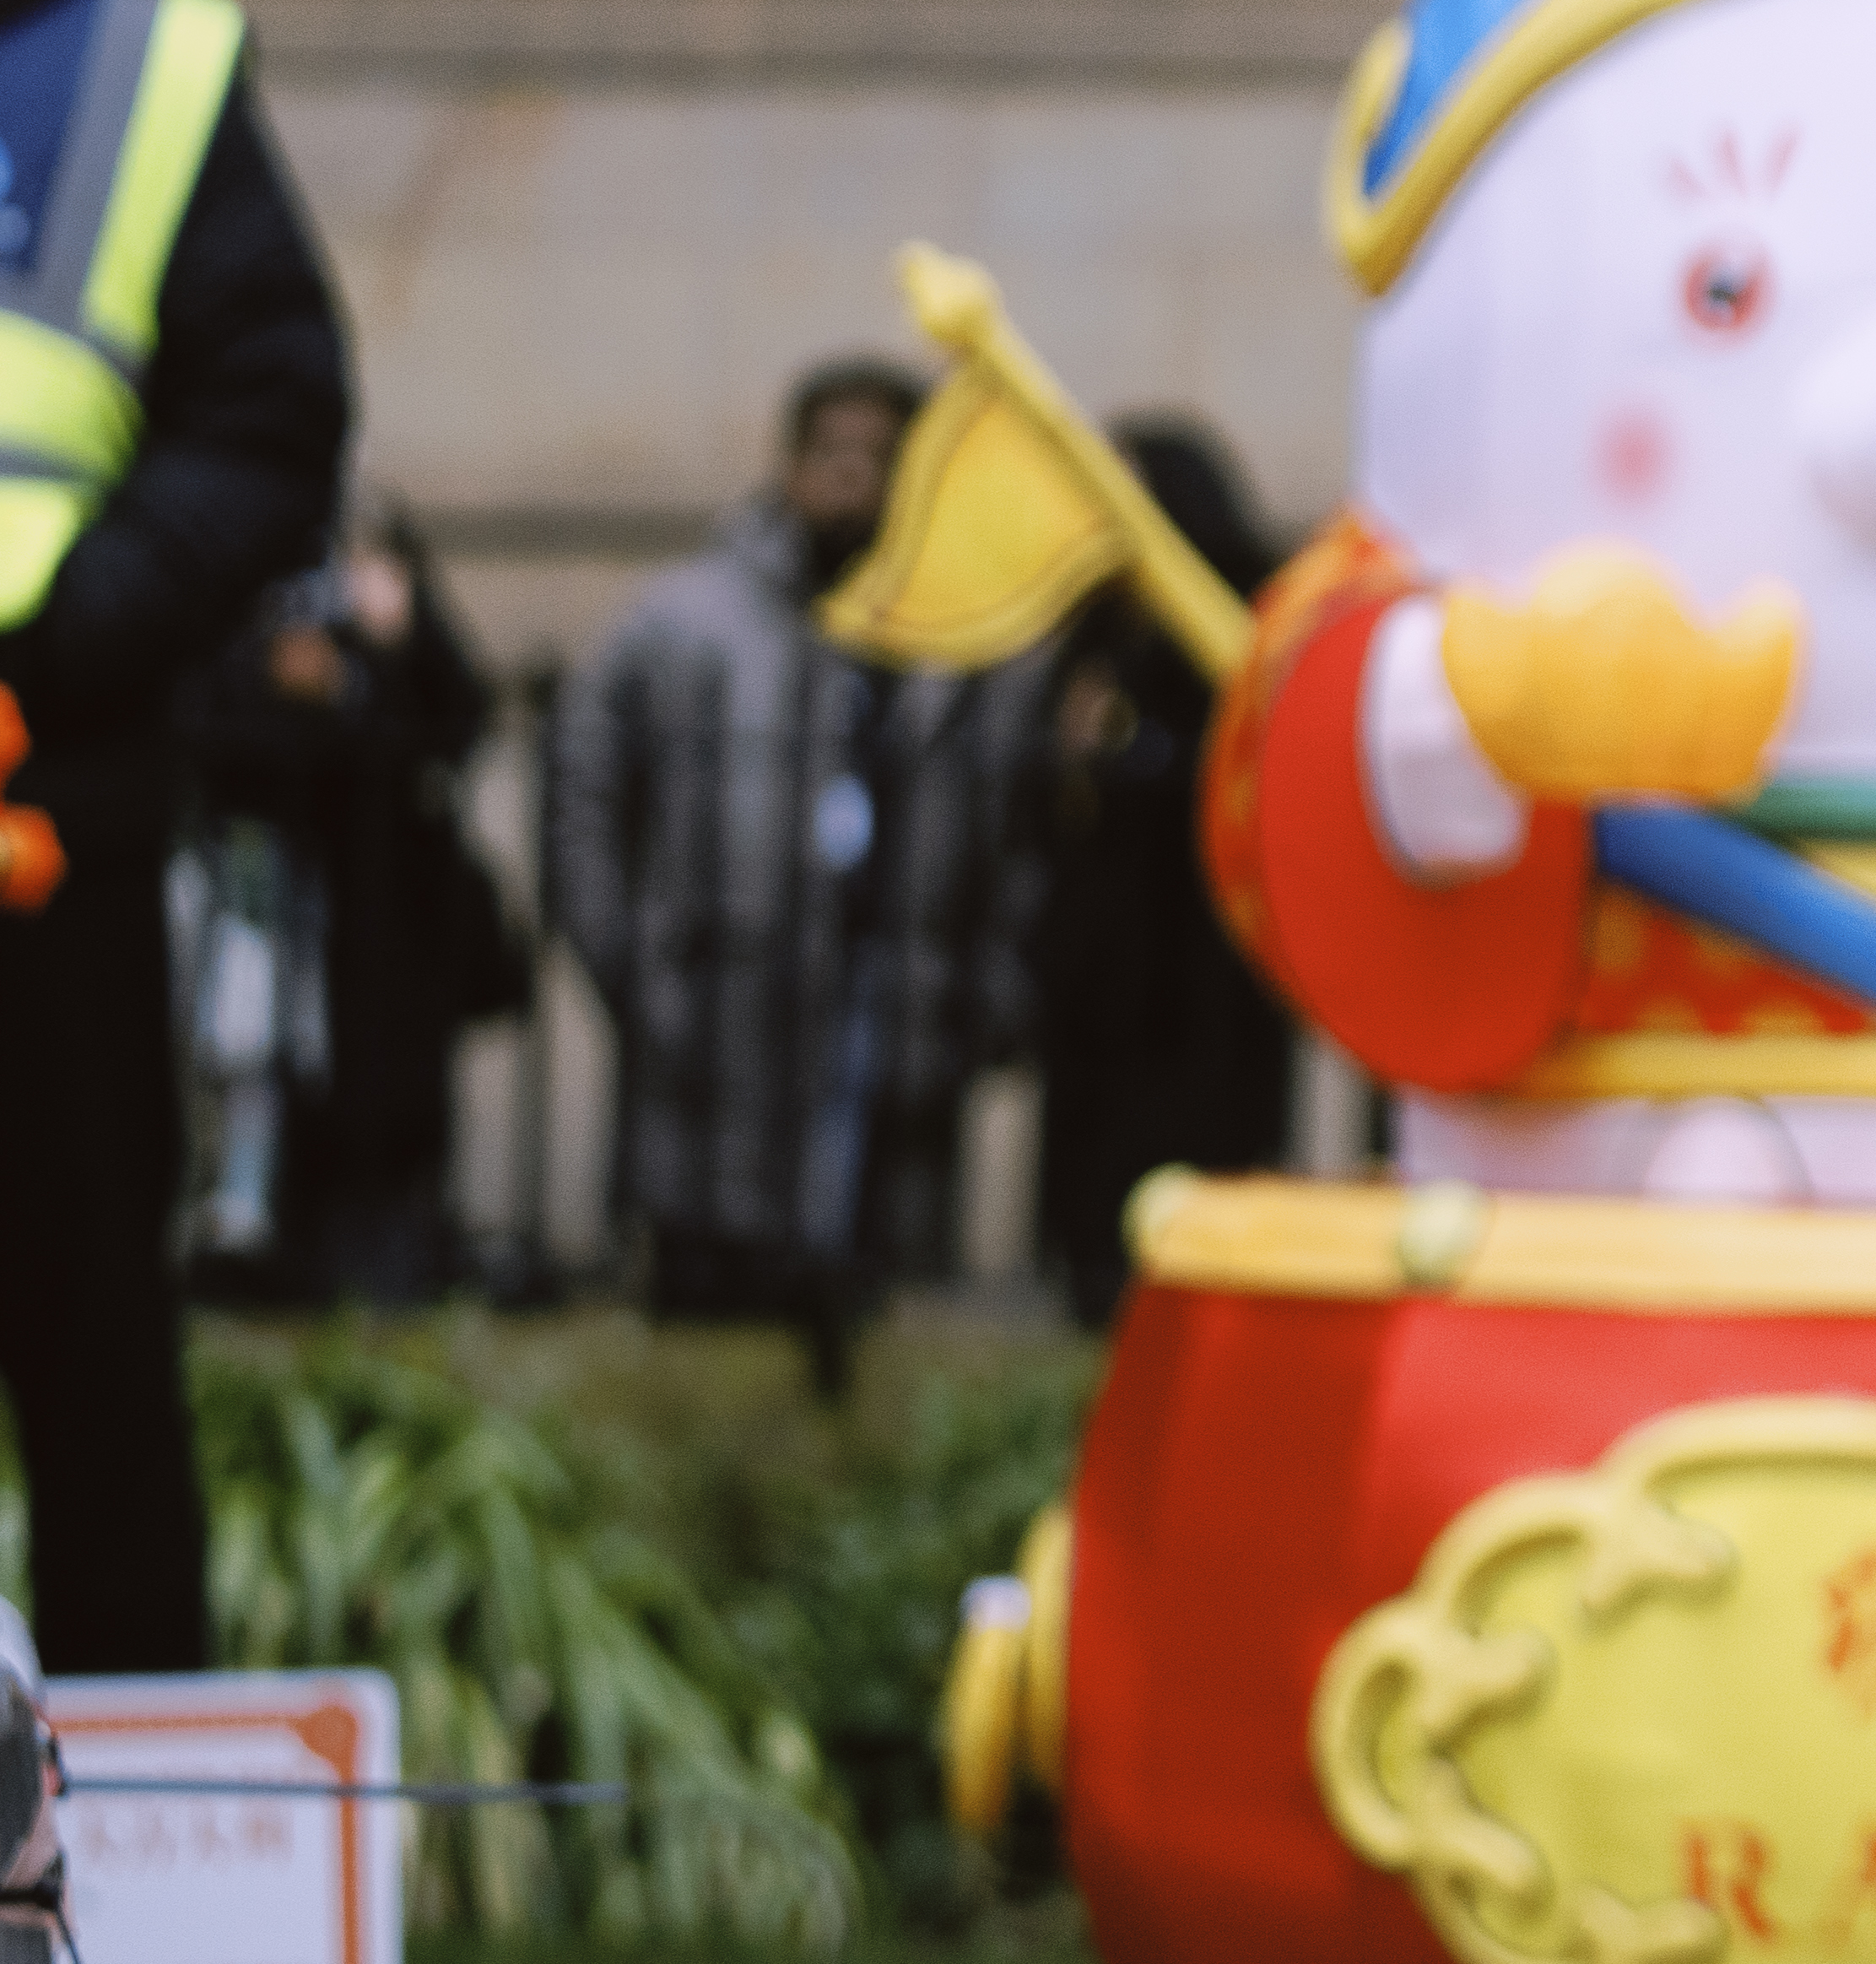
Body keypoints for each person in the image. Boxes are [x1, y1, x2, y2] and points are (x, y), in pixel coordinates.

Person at [0, 0, 356, 1672]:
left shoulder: (142, 69)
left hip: (43, 833)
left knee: (88, 1368)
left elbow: (270, 418)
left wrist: (48, 655)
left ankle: (122, 1922)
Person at [543, 359, 1044, 1396]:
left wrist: (988, 997)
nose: (852, 477)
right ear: (788, 463)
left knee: (887, 1336)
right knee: (705, 1338)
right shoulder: (686, 620)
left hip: (889, 1030)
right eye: (832, 452)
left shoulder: (964, 639)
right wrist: (630, 969)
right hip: (718, 1030)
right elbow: (580, 782)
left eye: (879, 455)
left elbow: (1018, 826)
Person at [176, 506, 518, 1309]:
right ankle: (257, 1244)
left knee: (385, 1091)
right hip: (268, 888)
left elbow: (457, 718)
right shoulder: (235, 582)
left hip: (386, 915)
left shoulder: (387, 595)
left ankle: (389, 1247)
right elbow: (212, 738)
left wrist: (385, 654)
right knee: (256, 1068)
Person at [1026, 416, 1295, 1326]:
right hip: (1103, 971)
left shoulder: (1236, 614)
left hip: (1201, 964)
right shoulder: (1090, 631)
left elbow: (1252, 766)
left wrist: (1129, 755)